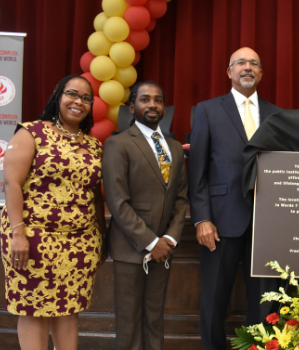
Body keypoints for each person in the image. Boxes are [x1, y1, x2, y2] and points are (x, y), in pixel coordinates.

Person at [0, 75, 106, 350]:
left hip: (81, 241)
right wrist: (18, 234)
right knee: (34, 308)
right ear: (58, 97)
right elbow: (12, 182)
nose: (78, 102)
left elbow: (95, 194)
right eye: (72, 94)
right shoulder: (32, 132)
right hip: (33, 237)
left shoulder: (93, 144)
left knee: (69, 308)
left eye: (86, 98)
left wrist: (101, 237)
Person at [188, 47, 282, 350]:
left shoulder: (277, 115)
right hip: (220, 220)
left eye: (255, 63)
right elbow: (197, 170)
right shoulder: (207, 110)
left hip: (268, 223)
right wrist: (202, 218)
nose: (248, 67)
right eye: (240, 62)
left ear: (261, 73)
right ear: (229, 72)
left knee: (265, 302)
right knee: (215, 299)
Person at [103, 81, 188, 350]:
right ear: (132, 107)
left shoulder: (174, 147)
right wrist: (152, 242)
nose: (152, 104)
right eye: (145, 99)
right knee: (128, 321)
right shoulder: (118, 144)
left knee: (154, 318)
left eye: (158, 100)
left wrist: (170, 239)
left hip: (164, 249)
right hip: (132, 248)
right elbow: (117, 202)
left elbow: (180, 198)